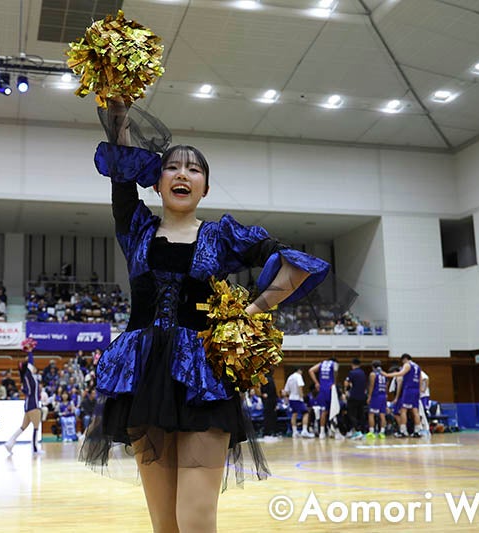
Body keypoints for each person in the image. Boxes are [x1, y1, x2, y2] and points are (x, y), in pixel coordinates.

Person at [79, 98, 330, 533]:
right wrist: (118, 116)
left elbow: (296, 267)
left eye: (194, 170)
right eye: (172, 167)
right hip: (142, 377)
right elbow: (120, 173)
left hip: (204, 377)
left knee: (195, 520)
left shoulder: (222, 236)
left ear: (205, 188)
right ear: (156, 183)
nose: (182, 174)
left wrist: (247, 315)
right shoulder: (136, 227)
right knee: (164, 524)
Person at [4, 353, 44, 455]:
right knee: (36, 427)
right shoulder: (28, 375)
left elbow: (25, 390)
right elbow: (31, 361)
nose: (34, 367)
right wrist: (30, 351)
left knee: (23, 427)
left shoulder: (26, 377)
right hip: (33, 404)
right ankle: (35, 448)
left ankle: (10, 443)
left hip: (28, 403)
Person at [382, 354, 423, 438]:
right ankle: (417, 431)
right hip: (416, 390)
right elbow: (420, 379)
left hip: (409, 389)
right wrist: (420, 390)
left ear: (405, 359)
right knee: (415, 411)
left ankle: (403, 431)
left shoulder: (407, 364)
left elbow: (401, 373)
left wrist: (387, 375)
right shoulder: (417, 366)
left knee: (403, 410)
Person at [309, 356, 339, 439]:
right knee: (333, 409)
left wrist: (316, 383)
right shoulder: (335, 364)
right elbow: (335, 374)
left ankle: (322, 432)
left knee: (323, 411)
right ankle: (333, 431)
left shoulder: (322, 363)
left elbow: (310, 370)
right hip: (330, 389)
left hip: (322, 389)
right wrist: (334, 383)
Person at [283, 367, 313, 438]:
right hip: (297, 398)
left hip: (291, 398)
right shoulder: (298, 376)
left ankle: (294, 432)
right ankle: (304, 431)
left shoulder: (290, 377)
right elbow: (300, 386)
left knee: (294, 414)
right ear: (299, 371)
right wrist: (301, 396)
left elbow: (286, 391)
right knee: (306, 413)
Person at [344, 358, 367, 439]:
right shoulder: (363, 373)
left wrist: (346, 391)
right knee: (361, 414)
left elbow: (346, 383)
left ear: (352, 365)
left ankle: (357, 431)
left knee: (351, 414)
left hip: (353, 396)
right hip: (362, 397)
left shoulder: (352, 373)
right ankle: (362, 431)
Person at [366, 360, 388, 439]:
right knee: (382, 415)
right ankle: (382, 432)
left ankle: (371, 432)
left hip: (376, 395)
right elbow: (386, 386)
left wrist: (369, 396)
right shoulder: (384, 374)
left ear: (372, 366)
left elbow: (371, 386)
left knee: (371, 414)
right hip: (383, 395)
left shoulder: (373, 374)